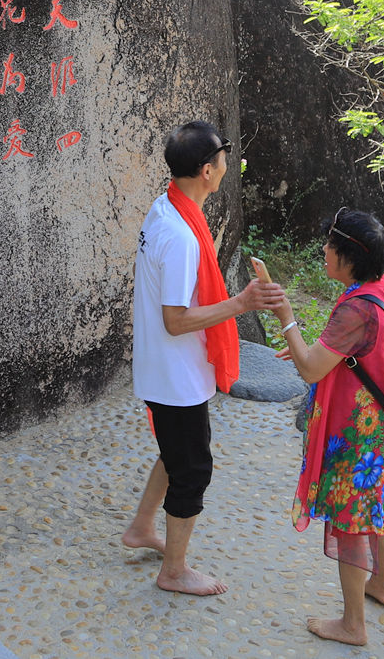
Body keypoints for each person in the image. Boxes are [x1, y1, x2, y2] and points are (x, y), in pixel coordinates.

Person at [120, 120, 287, 597]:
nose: (226, 167)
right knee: (193, 469)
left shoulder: (165, 208)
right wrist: (242, 303)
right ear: (209, 171)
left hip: (165, 368)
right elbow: (176, 319)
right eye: (223, 160)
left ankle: (141, 527)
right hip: (173, 375)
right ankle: (173, 570)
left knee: (177, 453)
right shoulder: (180, 235)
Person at [268, 207, 384, 647]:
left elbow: (313, 368)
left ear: (349, 256)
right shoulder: (383, 289)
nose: (324, 252)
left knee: (351, 520)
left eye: (330, 246)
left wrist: (287, 317)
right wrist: (312, 351)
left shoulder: (356, 310)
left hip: (360, 440)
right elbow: (354, 354)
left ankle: (353, 625)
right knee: (378, 513)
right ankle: (380, 584)